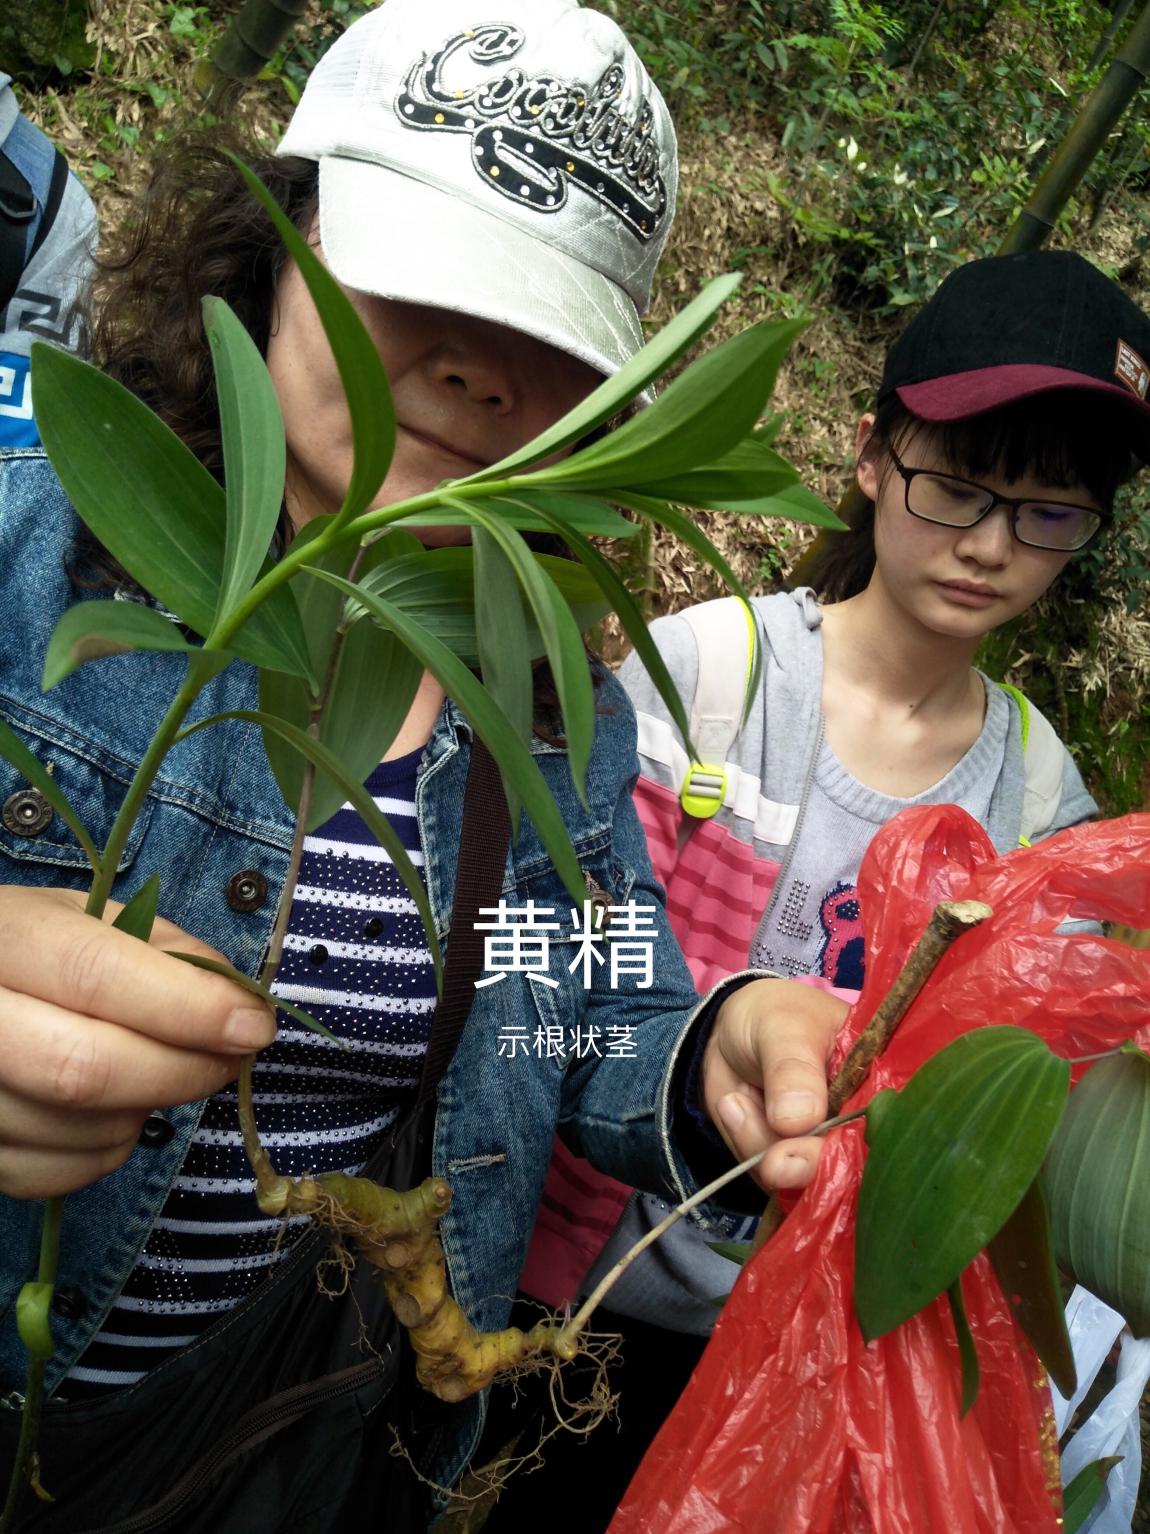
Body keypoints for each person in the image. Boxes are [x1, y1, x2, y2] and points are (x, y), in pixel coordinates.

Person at [0, 2, 844, 1529]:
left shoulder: (550, 714)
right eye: (419, 281)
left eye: (549, 333)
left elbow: (587, 1013)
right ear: (278, 241)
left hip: (293, 1456)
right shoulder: (28, 544)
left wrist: (712, 1051)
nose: (476, 372)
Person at [496, 247, 1150, 1527]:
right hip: (569, 1301)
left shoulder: (1035, 797)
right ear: (868, 455)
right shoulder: (710, 677)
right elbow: (549, 963)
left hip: (797, 1359)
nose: (989, 545)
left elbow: (1015, 1097)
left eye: (1048, 513)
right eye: (955, 487)